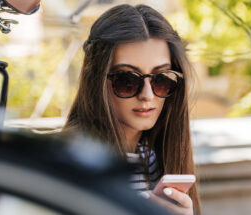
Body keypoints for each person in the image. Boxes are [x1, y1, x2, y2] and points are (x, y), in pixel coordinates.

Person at [63, 4, 201, 215]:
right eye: (127, 80)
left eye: (162, 79)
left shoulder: (157, 159)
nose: (147, 95)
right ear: (96, 81)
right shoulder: (70, 162)